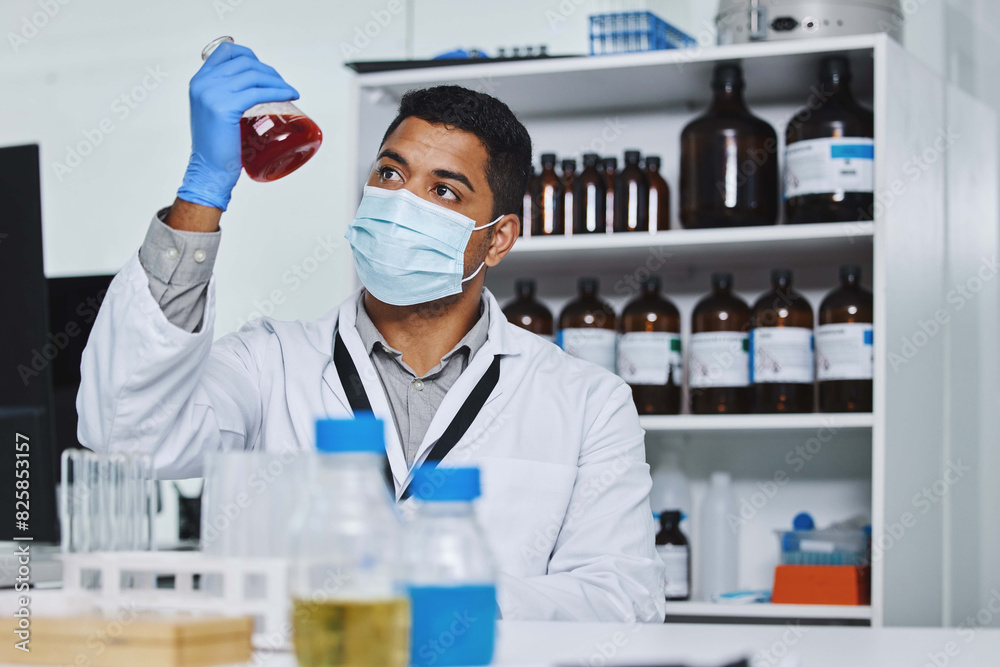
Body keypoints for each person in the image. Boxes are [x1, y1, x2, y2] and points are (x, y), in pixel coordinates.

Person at [77, 41, 665, 622]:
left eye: (443, 191)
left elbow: (622, 600)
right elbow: (127, 433)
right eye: (389, 172)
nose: (401, 202)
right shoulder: (270, 361)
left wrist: (436, 593)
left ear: (498, 238)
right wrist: (202, 193)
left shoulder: (589, 402)